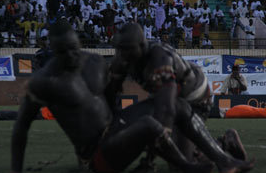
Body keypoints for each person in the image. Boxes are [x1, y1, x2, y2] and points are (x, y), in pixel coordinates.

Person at [11, 19, 215, 173]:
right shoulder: (44, 82)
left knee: (175, 104)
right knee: (149, 125)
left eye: (74, 48)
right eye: (63, 52)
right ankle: (186, 165)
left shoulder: (95, 62)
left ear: (79, 43)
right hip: (95, 153)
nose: (71, 55)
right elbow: (21, 128)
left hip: (114, 131)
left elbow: (112, 96)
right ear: (53, 51)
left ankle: (221, 157)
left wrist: (124, 123)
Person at [107, 23, 254, 173]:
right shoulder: (122, 59)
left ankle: (224, 144)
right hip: (173, 98)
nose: (123, 53)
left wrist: (150, 157)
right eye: (119, 48)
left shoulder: (159, 58)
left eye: (127, 49)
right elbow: (111, 92)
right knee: (173, 152)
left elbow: (167, 109)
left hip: (195, 98)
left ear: (141, 45)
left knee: (182, 163)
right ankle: (219, 147)